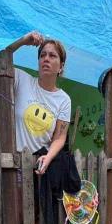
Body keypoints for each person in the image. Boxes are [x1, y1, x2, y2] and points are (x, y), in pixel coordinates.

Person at [5, 31, 72, 174]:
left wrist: (48, 157)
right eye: (42, 55)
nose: (46, 59)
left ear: (61, 66)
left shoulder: (64, 100)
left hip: (40, 167)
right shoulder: (21, 79)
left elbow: (60, 137)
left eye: (52, 55)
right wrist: (22, 41)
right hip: (13, 165)